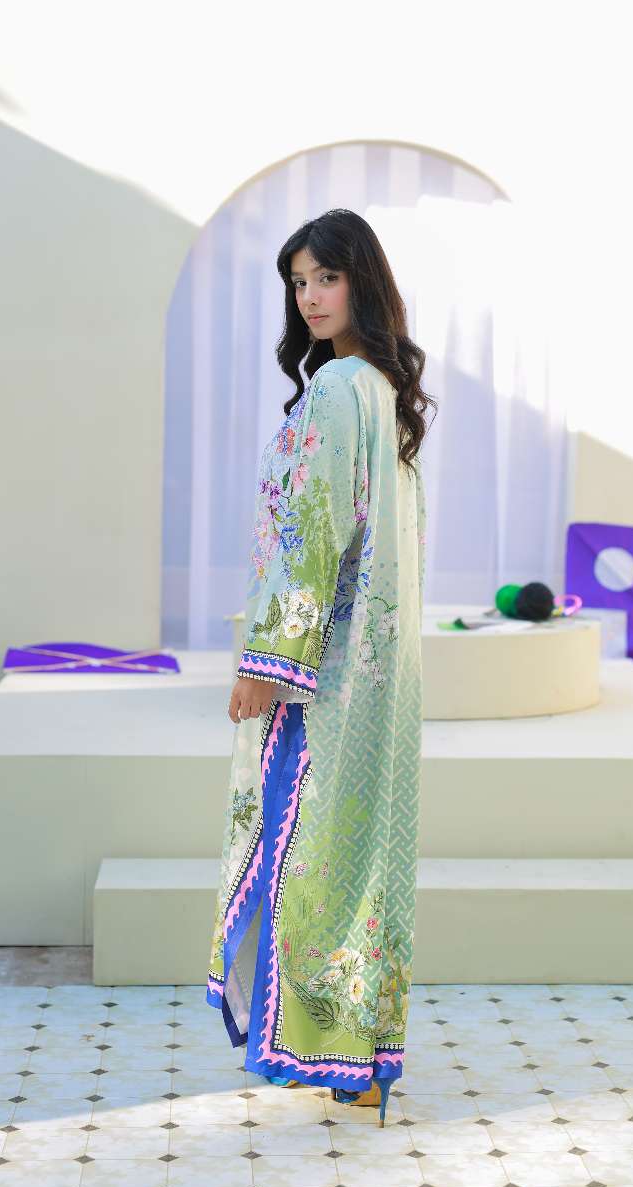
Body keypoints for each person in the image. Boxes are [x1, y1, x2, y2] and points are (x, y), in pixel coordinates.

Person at [205, 208, 435, 1129]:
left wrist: (267, 663)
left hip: (323, 674)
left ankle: (337, 1053)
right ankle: (356, 1059)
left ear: (361, 282)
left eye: (325, 278)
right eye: (298, 282)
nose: (309, 297)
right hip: (375, 676)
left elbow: (314, 533)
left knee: (308, 855)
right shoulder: (380, 389)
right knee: (353, 858)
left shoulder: (341, 388)